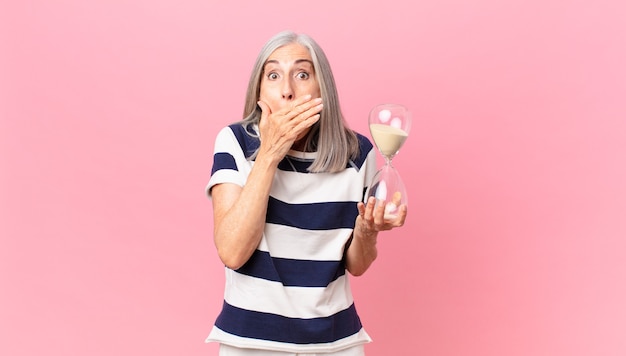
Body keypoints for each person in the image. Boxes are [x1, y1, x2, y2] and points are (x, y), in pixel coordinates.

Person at [204, 30, 407, 355]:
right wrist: (269, 153)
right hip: (252, 341)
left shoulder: (358, 154)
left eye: (301, 74)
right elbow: (232, 252)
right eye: (273, 75)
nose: (287, 90)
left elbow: (357, 264)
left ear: (321, 87)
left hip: (336, 342)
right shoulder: (236, 143)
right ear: (259, 89)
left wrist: (367, 230)